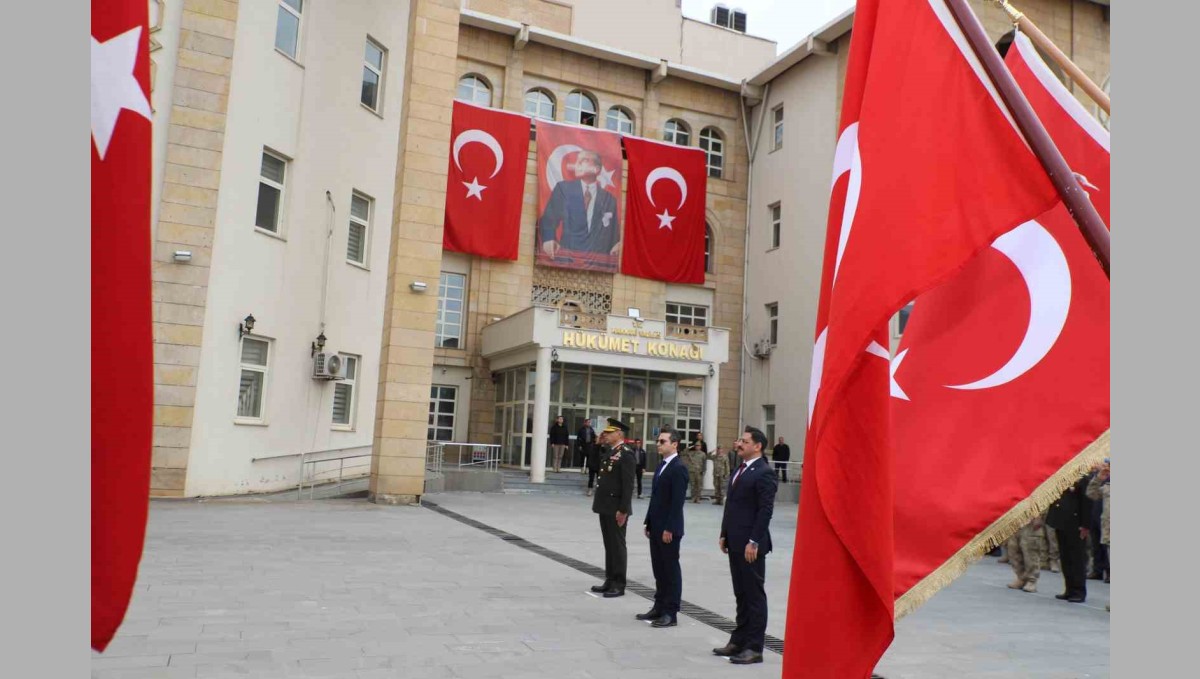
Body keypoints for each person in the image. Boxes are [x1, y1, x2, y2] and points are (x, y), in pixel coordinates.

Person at [713, 426, 778, 665]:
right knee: (741, 593)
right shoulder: (741, 469)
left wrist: (754, 541)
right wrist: (724, 533)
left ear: (757, 446)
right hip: (735, 541)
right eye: (740, 439)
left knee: (754, 595)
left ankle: (754, 647)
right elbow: (732, 506)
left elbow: (765, 511)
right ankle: (738, 640)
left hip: (751, 544)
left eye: (744, 440)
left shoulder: (764, 473)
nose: (739, 443)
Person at [637, 425, 689, 628]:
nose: (658, 444)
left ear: (674, 444)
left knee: (670, 570)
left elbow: (677, 502)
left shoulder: (679, 468)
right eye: (658, 441)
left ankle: (671, 612)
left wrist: (670, 528)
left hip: (669, 529)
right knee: (659, 568)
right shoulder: (661, 466)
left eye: (662, 441)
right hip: (657, 525)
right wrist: (648, 521)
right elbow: (656, 498)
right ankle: (658, 606)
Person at [538, 149, 620, 257]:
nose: (577, 164)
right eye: (577, 161)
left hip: (597, 262)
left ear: (597, 169)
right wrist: (549, 239)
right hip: (568, 258)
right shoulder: (563, 189)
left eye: (584, 160)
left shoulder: (609, 199)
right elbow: (548, 220)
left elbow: (613, 233)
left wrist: (616, 244)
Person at [590, 418, 637, 598]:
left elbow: (628, 484)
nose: (606, 435)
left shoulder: (626, 454)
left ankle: (619, 583)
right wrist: (596, 445)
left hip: (617, 507)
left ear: (619, 434)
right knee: (609, 545)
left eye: (609, 433)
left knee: (617, 546)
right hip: (605, 506)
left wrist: (623, 510)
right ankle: (609, 579)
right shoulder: (610, 451)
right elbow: (594, 465)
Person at [1046, 472, 1094, 603]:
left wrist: (1085, 525)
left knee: (1076, 558)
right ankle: (1069, 588)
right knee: (1065, 557)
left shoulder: (1082, 478)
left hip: (1075, 524)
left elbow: (1087, 501)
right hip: (1062, 522)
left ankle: (1078, 591)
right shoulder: (1062, 476)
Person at [1005, 513, 1047, 593]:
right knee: (1013, 549)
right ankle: (1021, 577)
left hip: (1031, 518)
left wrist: (1039, 516)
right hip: (1015, 516)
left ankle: (1032, 580)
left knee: (1030, 551)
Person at [1086, 459, 1110, 584]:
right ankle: (1098, 570)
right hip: (1101, 518)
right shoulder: (1106, 482)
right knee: (1097, 545)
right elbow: (1091, 493)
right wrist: (1099, 478)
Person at [577, 420, 598, 495]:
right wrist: (579, 445)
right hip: (583, 445)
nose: (589, 423)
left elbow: (593, 436)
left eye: (590, 422)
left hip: (589, 445)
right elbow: (578, 438)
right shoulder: (581, 429)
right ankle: (583, 468)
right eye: (587, 422)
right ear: (584, 423)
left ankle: (587, 468)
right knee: (582, 457)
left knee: (589, 457)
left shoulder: (591, 429)